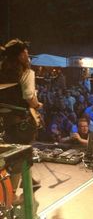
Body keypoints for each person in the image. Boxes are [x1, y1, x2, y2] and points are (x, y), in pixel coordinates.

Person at [0, 39, 42, 204]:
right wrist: (38, 104)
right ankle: (13, 196)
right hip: (22, 122)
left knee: (18, 154)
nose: (27, 54)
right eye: (25, 52)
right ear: (20, 55)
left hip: (6, 120)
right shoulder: (27, 73)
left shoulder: (2, 71)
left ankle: (30, 182)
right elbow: (29, 98)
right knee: (18, 157)